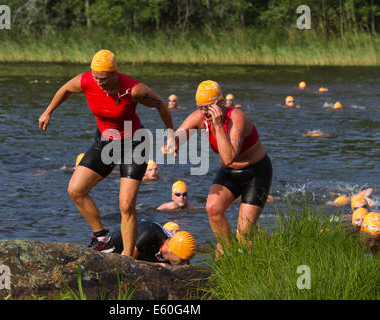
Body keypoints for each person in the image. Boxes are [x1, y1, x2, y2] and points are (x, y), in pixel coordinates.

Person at [38, 49, 175, 257]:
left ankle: (127, 258)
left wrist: (171, 134)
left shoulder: (134, 89)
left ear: (114, 74)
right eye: (95, 77)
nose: (99, 83)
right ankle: (102, 238)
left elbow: (161, 105)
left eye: (103, 78)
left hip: (134, 143)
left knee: (127, 204)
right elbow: (65, 89)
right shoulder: (86, 81)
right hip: (105, 140)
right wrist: (48, 111)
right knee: (76, 189)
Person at [164, 80, 272, 254]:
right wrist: (172, 144)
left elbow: (229, 157)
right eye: (201, 107)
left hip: (256, 172)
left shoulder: (237, 118)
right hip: (229, 173)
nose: (205, 112)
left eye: (209, 107)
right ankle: (229, 254)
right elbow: (180, 134)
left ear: (221, 103)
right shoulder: (200, 117)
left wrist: (218, 125)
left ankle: (265, 245)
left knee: (245, 232)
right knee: (213, 209)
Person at [109, 219, 196, 265]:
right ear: (172, 251)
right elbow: (124, 261)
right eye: (183, 260)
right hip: (113, 248)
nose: (185, 264)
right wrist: (155, 266)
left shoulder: (177, 246)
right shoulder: (148, 236)